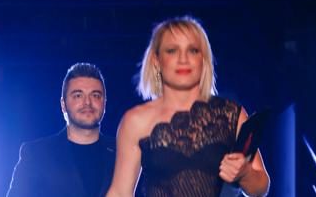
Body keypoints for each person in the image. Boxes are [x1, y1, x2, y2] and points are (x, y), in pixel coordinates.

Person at [106, 16, 270, 197]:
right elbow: (120, 192)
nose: (183, 59)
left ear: (203, 59)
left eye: (193, 50)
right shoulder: (135, 121)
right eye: (172, 50)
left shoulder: (231, 114)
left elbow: (261, 188)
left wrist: (245, 174)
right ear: (156, 60)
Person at [6, 62, 116, 197]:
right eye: (78, 95)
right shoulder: (37, 154)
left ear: (104, 102)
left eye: (95, 95)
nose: (87, 102)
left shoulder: (122, 151)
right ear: (63, 104)